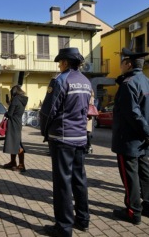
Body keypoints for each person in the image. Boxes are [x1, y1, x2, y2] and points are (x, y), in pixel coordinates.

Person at [40, 47, 92, 237]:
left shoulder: (60, 80)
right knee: (80, 179)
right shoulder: (86, 82)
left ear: (65, 62)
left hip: (62, 138)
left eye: (60, 62)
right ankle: (83, 219)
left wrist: (44, 131)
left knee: (63, 183)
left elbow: (48, 111)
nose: (59, 65)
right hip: (80, 137)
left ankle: (63, 227)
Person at [111, 48, 149, 225]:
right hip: (143, 138)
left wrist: (148, 132)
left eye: (122, 63)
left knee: (130, 177)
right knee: (146, 173)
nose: (120, 66)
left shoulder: (128, 84)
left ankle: (133, 212)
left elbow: (132, 114)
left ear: (129, 64)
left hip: (129, 140)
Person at [2, 85, 28, 172]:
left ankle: (21, 165)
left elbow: (10, 114)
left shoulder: (15, 100)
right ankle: (13, 162)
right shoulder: (21, 100)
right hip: (18, 122)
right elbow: (16, 109)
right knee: (14, 142)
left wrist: (6, 113)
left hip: (13, 123)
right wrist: (10, 103)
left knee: (17, 143)